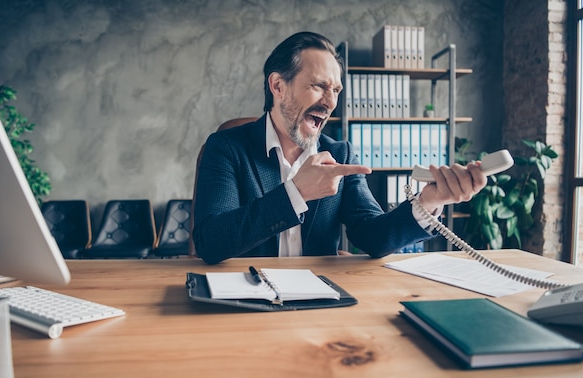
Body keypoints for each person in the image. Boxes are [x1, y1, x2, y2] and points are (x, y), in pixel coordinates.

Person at [192, 31, 487, 265]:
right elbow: (211, 241)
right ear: (278, 86)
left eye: (335, 90)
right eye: (319, 86)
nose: (331, 102)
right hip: (243, 301)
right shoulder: (226, 148)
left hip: (318, 303)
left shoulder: (341, 154)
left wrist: (429, 201)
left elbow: (373, 236)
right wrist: (296, 193)